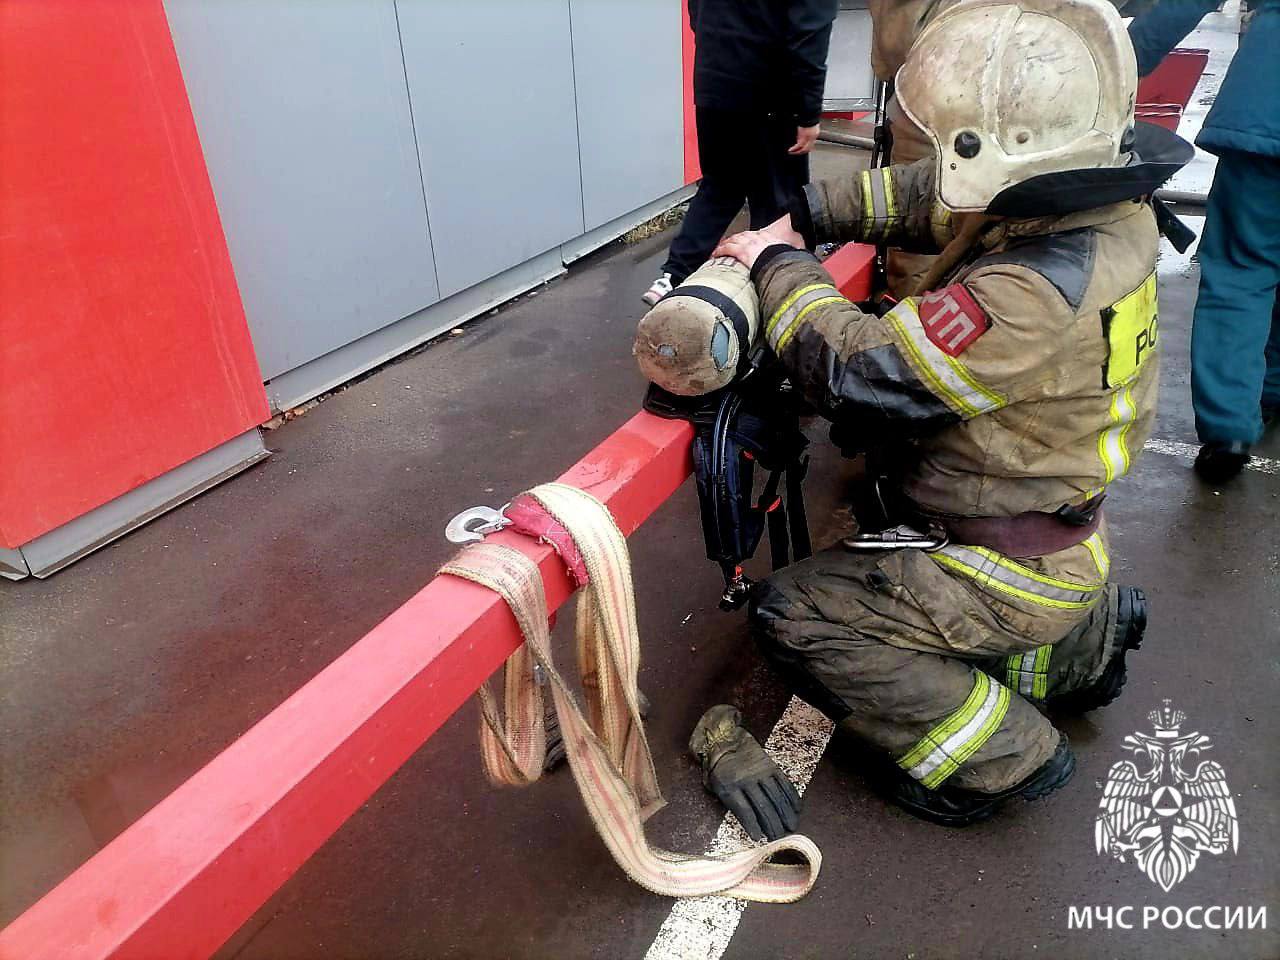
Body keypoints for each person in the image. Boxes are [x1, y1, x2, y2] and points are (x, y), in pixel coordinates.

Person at [691, 0, 1193, 830]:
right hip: (1056, 526)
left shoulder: (1026, 295)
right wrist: (813, 215)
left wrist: (776, 263)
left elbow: (861, 373)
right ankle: (1073, 655)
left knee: (796, 613)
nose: (952, 180)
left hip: (1000, 560)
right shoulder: (1103, 214)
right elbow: (938, 191)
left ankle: (998, 758)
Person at [1126, 0, 1280, 481]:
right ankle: (1270, 388)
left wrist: (1124, 59)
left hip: (1264, 109)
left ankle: (1228, 432)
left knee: (1242, 269)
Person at [640, 0, 838, 307]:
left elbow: (697, 12)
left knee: (720, 187)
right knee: (779, 202)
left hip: (715, 84)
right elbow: (810, 33)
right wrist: (808, 113)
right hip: (771, 93)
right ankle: (770, 298)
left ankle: (673, 276)